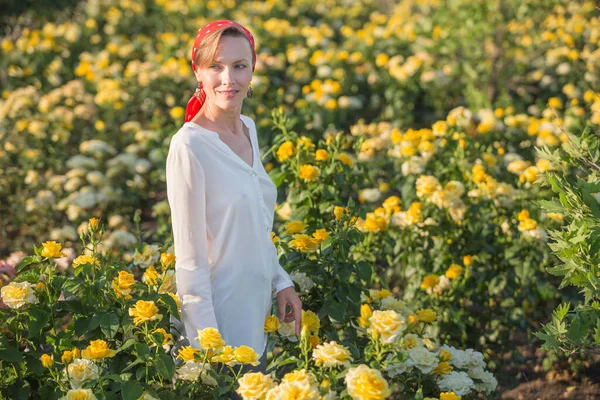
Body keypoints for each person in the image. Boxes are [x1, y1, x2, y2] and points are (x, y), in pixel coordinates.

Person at [165, 20, 303, 382]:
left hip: (256, 318)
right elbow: (190, 259)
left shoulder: (248, 129)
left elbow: (256, 222)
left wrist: (281, 281)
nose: (229, 79)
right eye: (216, 66)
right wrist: (209, 346)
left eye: (239, 66)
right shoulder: (189, 146)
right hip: (220, 332)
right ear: (198, 70)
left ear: (252, 69)